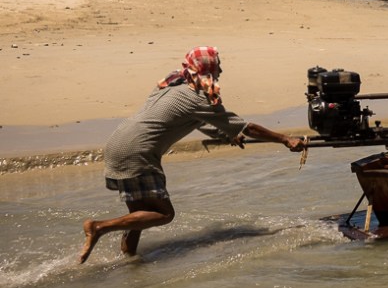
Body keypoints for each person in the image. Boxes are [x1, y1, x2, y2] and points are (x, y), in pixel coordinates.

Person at [78, 46, 306, 264]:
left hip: (118, 143)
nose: (221, 71)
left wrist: (226, 134)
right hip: (139, 153)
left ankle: (129, 263)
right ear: (208, 68)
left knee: (139, 215)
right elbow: (248, 128)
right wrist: (286, 139)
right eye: (218, 65)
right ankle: (99, 227)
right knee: (164, 214)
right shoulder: (201, 97)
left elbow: (194, 118)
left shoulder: (170, 85)